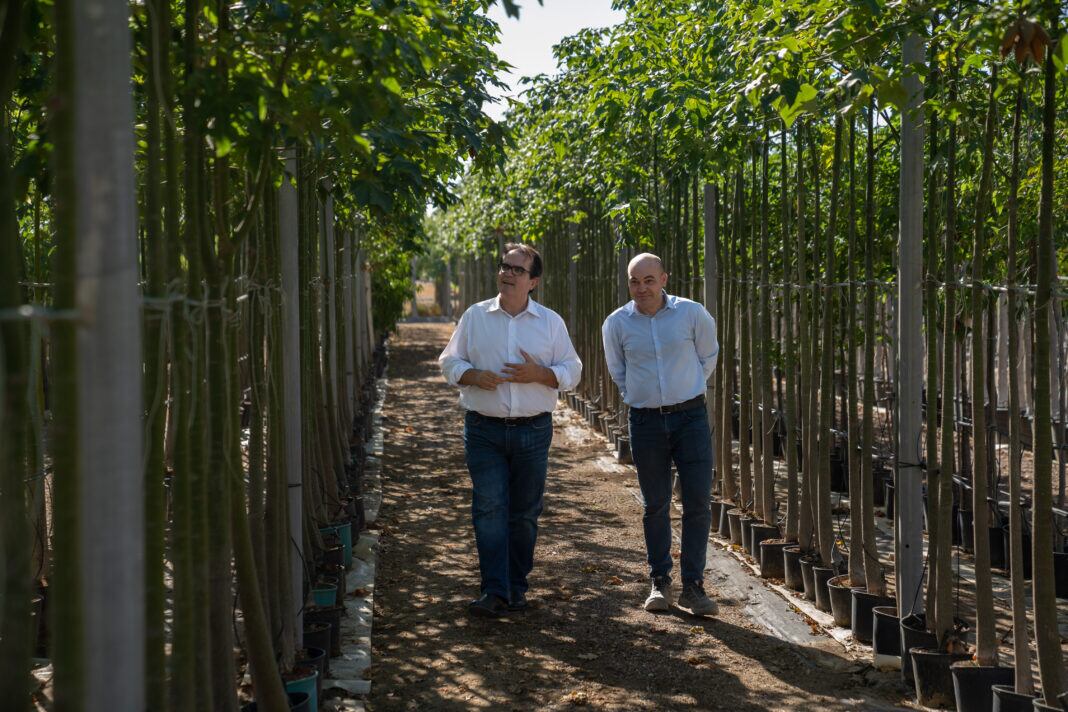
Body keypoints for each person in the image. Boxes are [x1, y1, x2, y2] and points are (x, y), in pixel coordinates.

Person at [439, 243, 582, 618]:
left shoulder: (550, 323)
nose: (508, 273)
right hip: (483, 430)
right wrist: (471, 375)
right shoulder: (475, 317)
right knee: (488, 508)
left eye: (518, 270)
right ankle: (494, 589)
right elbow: (449, 360)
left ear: (533, 281)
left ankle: (517, 586)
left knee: (523, 514)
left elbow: (573, 371)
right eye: (504, 267)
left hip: (533, 432)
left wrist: (542, 374)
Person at [601, 252, 720, 615]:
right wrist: (642, 398)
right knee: (655, 504)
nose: (642, 288)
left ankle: (694, 587)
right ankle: (660, 582)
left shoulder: (692, 313)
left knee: (697, 502)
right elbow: (617, 371)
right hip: (646, 422)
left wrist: (687, 389)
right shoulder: (617, 323)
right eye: (635, 281)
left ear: (664, 279)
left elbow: (708, 356)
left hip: (691, 419)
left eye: (649, 280)